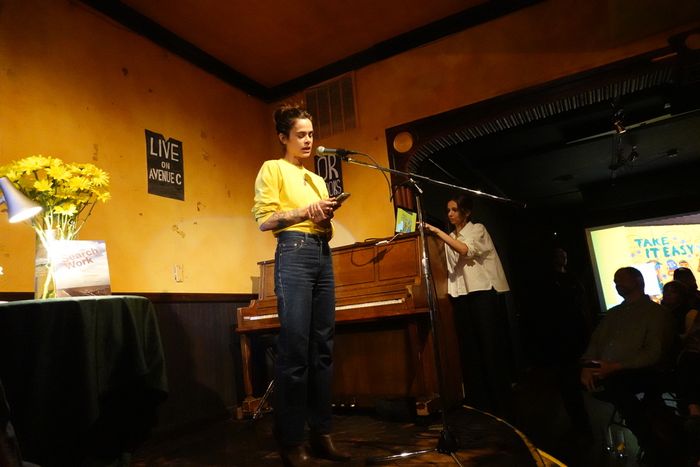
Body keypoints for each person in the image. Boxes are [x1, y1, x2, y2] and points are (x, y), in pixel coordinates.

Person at [252, 104, 349, 467]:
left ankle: (321, 433)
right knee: (295, 349)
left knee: (322, 347)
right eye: (300, 135)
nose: (308, 140)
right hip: (293, 251)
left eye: (311, 134)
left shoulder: (318, 180)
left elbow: (323, 226)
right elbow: (265, 220)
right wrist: (307, 211)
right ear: (284, 137)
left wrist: (325, 215)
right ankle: (292, 441)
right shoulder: (272, 168)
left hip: (322, 252)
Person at [423, 194, 512, 418]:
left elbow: (465, 250)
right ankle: (481, 406)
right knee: (470, 350)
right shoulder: (451, 236)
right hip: (462, 295)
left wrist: (437, 232)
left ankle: (501, 405)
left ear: (466, 212)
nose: (450, 214)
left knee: (490, 348)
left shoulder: (477, 229)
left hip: (483, 293)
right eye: (448, 210)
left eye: (454, 210)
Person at [580, 267, 676, 465]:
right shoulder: (614, 313)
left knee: (619, 389)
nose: (617, 284)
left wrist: (615, 366)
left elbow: (653, 353)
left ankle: (651, 444)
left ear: (638, 281)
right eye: (615, 281)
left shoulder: (656, 313)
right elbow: (595, 342)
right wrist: (588, 365)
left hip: (640, 371)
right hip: (608, 370)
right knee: (571, 378)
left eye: (621, 280)